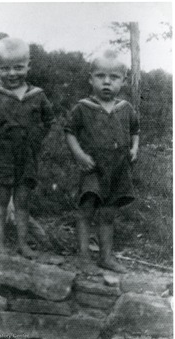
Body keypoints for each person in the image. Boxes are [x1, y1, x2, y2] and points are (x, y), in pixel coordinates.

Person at [0, 37, 54, 258]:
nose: (12, 74)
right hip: (3, 159)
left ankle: (22, 244)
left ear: (29, 65)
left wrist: (37, 138)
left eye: (18, 67)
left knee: (22, 203)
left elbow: (49, 121)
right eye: (5, 69)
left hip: (27, 160)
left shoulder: (37, 95)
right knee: (0, 204)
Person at [65, 49, 140, 273]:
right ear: (91, 79)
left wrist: (135, 147)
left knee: (108, 214)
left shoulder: (125, 109)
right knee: (86, 210)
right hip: (93, 168)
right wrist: (79, 154)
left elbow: (135, 130)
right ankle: (84, 257)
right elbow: (69, 132)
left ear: (123, 81)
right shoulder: (83, 107)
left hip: (118, 168)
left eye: (114, 77)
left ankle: (106, 257)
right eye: (100, 76)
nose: (107, 82)